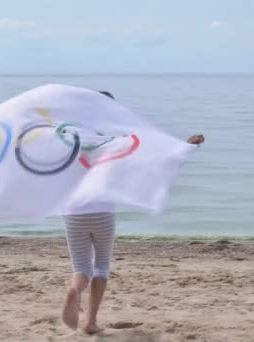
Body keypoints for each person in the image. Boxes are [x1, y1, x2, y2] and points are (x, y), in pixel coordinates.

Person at [61, 91, 205, 333]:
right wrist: (186, 146)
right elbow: (153, 155)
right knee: (102, 266)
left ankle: (74, 290)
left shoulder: (69, 141)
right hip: (103, 210)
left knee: (81, 266)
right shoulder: (117, 141)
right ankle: (91, 321)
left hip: (73, 211)